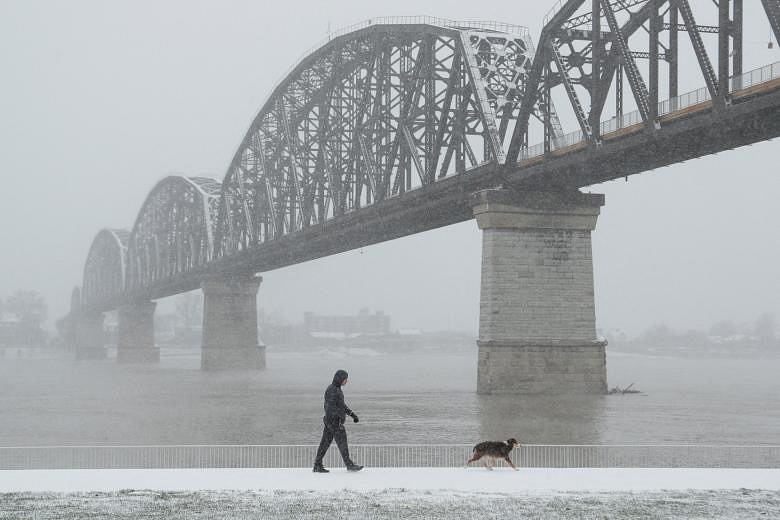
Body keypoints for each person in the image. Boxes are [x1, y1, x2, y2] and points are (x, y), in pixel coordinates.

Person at [313, 369, 363, 472]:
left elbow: (341, 406)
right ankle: (349, 465)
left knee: (324, 444)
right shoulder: (333, 390)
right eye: (345, 379)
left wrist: (352, 414)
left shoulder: (335, 389)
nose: (346, 381)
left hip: (329, 422)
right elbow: (330, 407)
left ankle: (317, 465)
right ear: (340, 379)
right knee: (342, 444)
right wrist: (336, 421)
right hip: (334, 423)